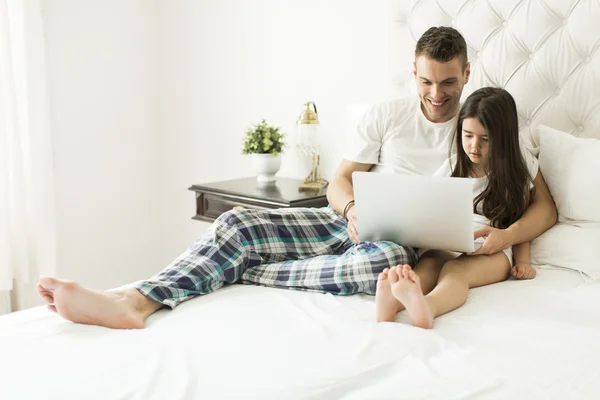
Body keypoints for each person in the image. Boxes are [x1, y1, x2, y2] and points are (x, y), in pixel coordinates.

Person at [36, 27, 557, 330]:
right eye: (425, 81)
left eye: (447, 82)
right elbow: (338, 184)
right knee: (240, 223)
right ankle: (135, 300)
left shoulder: (484, 126)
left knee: (380, 262)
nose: (436, 95)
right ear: (412, 73)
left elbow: (540, 207)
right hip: (350, 227)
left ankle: (241, 271)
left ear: (466, 73)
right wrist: (353, 211)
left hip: (405, 251)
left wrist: (511, 240)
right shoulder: (386, 115)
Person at [375, 87, 540, 329]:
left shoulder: (513, 173)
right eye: (468, 135)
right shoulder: (453, 165)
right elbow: (428, 203)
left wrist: (523, 261)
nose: (474, 146)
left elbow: (520, 220)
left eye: (485, 139)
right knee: (430, 261)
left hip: (494, 251)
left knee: (456, 271)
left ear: (503, 138)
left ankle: (428, 307)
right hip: (453, 241)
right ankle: (397, 300)